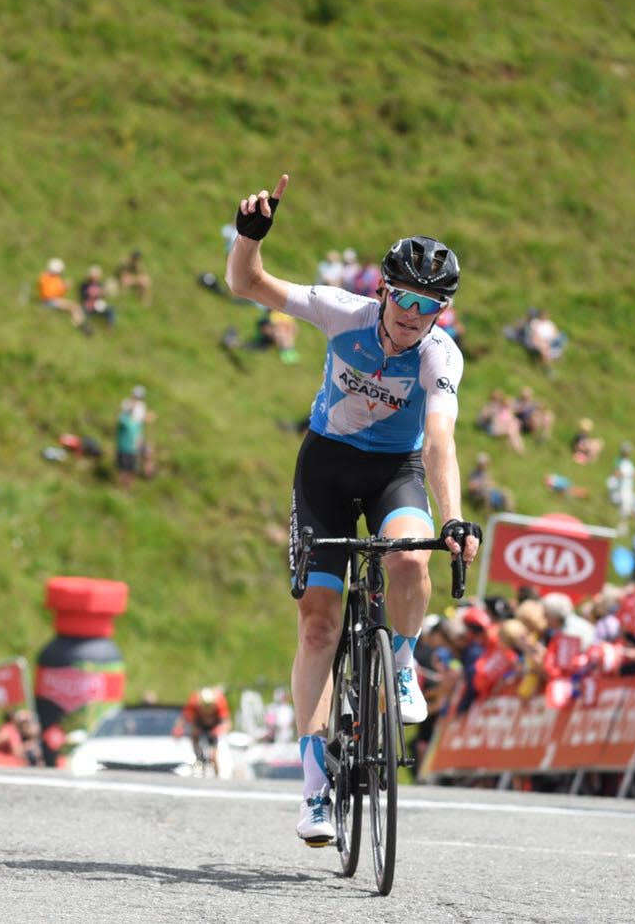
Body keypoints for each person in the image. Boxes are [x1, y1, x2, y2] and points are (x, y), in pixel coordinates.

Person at [223, 172, 482, 848]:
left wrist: (453, 518)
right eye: (405, 299)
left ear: (442, 312)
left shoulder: (440, 355)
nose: (413, 315)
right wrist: (250, 238)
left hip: (396, 472)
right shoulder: (343, 312)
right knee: (318, 626)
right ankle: (314, 788)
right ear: (383, 291)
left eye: (430, 306)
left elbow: (442, 440)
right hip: (328, 469)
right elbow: (248, 285)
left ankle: (401, 661)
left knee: (411, 560)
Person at [174, 687, 231, 776]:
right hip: (199, 723)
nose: (207, 709)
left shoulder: (220, 702)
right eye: (205, 706)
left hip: (213, 725)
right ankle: (198, 755)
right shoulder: (193, 702)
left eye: (210, 706)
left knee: (213, 755)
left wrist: (219, 730)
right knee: (194, 733)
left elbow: (227, 722)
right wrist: (178, 729)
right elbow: (184, 717)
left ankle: (217, 773)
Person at [115, 386, 150, 487]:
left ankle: (128, 486)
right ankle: (122, 486)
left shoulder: (139, 411)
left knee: (131, 468)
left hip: (132, 446)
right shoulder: (124, 416)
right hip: (124, 446)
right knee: (123, 468)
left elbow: (140, 426)